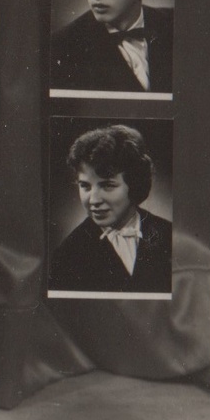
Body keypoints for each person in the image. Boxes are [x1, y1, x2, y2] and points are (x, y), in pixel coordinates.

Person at [45, 124, 173, 295]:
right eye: (85, 186)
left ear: (135, 184)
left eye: (107, 185)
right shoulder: (68, 254)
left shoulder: (169, 234)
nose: (94, 200)